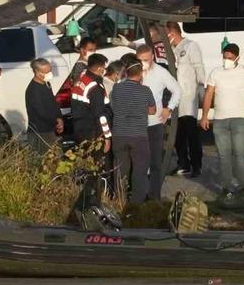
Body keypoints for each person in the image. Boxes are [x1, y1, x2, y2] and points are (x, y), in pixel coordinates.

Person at [199, 43, 244, 201]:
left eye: (230, 58)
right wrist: (205, 116)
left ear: (237, 58)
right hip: (220, 120)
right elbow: (209, 94)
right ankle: (225, 187)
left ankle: (242, 186)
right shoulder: (216, 73)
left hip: (240, 119)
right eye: (224, 57)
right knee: (223, 156)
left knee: (240, 154)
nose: (226, 60)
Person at [137, 44, 182, 200]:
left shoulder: (161, 73)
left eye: (146, 60)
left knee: (155, 162)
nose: (144, 63)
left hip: (155, 123)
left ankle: (154, 196)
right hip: (136, 124)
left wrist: (169, 108)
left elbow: (177, 90)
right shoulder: (134, 72)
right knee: (139, 162)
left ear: (152, 58)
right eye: (140, 60)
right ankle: (139, 195)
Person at [110, 61, 157, 204]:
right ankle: (137, 202)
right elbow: (152, 110)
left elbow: (113, 106)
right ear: (141, 74)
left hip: (119, 135)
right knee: (140, 170)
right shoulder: (145, 90)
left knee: (120, 169)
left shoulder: (116, 88)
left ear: (126, 73)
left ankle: (120, 200)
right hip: (138, 136)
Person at [166, 21, 206, 177]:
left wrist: (202, 87)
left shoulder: (190, 46)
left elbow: (199, 67)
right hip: (175, 97)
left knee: (191, 133)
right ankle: (183, 164)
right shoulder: (171, 49)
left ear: (173, 33)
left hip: (188, 96)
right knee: (178, 134)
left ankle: (197, 165)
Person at [71, 54, 112, 146]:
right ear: (100, 69)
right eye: (104, 68)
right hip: (94, 134)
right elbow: (100, 115)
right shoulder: (94, 87)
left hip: (80, 130)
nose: (104, 71)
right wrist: (106, 137)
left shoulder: (81, 80)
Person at [25, 58, 63, 153]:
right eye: (46, 72)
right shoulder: (33, 90)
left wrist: (59, 118)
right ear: (37, 72)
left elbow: (53, 102)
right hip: (41, 132)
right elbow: (41, 112)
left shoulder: (46, 83)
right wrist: (56, 122)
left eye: (50, 70)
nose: (49, 74)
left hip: (51, 128)